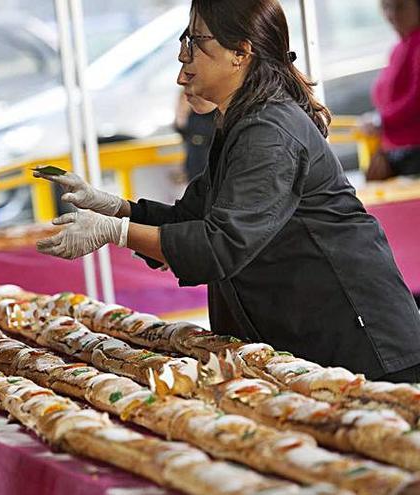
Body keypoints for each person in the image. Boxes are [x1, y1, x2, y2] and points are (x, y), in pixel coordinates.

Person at [35, 0, 420, 381]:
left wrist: (114, 233)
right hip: (310, 338)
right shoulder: (242, 123)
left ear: (240, 53)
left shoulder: (268, 131)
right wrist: (114, 208)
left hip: (359, 340)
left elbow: (221, 245)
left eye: (195, 42)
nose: (183, 66)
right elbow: (191, 218)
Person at [364, 0, 420, 179]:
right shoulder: (398, 49)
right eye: (387, 7)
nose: (393, 14)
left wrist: (380, 120)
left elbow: (416, 100)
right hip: (397, 153)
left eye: (400, 6)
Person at [174, 89, 217, 181]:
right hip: (194, 168)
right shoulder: (190, 119)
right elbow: (183, 132)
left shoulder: (212, 116)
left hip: (210, 169)